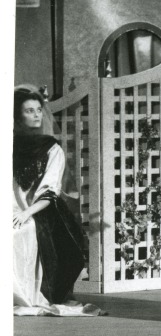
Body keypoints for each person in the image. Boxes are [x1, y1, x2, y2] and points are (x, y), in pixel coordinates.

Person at [14, 87, 104, 316]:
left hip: (42, 210)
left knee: (21, 230)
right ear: (17, 116)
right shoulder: (8, 144)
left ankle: (25, 294)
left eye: (38, 110)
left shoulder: (52, 149)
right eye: (29, 111)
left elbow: (50, 190)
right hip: (13, 206)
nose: (36, 115)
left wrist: (26, 213)